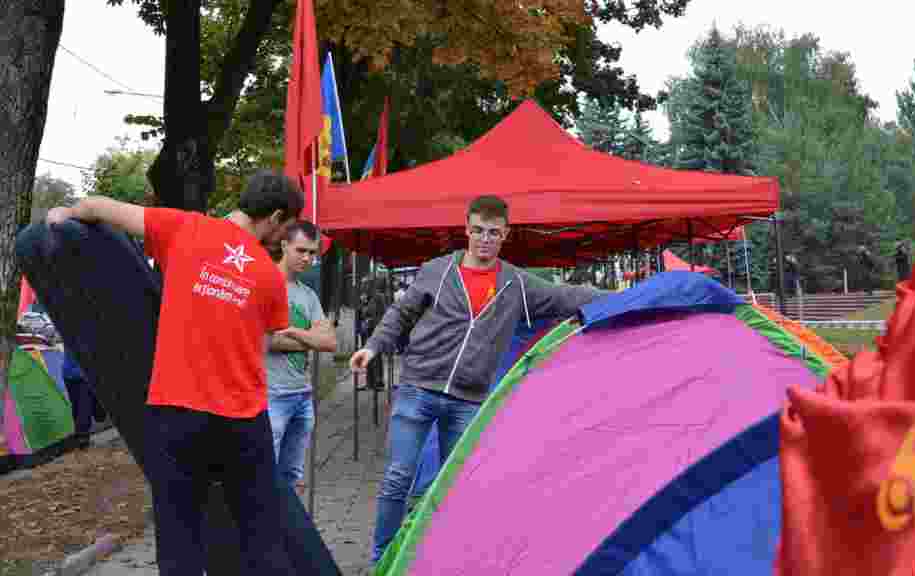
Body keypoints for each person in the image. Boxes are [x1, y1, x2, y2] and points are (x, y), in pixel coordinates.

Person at [46, 169, 303, 576]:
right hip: (243, 420)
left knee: (179, 539)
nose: (283, 238)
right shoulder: (269, 275)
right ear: (274, 216)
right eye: (286, 228)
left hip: (179, 414)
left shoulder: (183, 227)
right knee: (260, 536)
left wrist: (65, 213)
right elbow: (264, 343)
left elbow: (101, 207)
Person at [350, 195, 607, 563]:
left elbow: (564, 296)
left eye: (493, 233)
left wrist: (624, 296)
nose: (484, 239)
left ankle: (428, 558)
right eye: (478, 231)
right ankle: (382, 558)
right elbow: (401, 313)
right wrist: (373, 347)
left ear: (506, 235)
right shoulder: (437, 270)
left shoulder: (515, 283)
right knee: (398, 478)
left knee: (450, 488)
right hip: (418, 387)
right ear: (466, 229)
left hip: (468, 400)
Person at [266, 220, 337, 495]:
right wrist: (309, 339)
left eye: (312, 252)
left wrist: (294, 332)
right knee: (266, 476)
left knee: (292, 477)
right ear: (284, 245)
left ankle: (285, 535)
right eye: (301, 250)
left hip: (302, 396)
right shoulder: (266, 284)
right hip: (271, 395)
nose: (307, 258)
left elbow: (329, 342)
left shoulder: (307, 295)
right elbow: (263, 339)